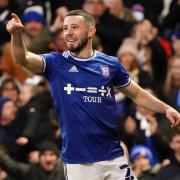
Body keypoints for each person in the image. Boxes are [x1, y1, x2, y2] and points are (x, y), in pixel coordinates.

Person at [6, 9, 180, 180]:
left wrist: (165, 108)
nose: (68, 33)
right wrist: (16, 35)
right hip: (78, 163)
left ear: (91, 31)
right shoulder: (56, 63)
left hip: (113, 157)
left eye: (74, 27)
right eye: (65, 28)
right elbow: (23, 59)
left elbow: (137, 94)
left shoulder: (110, 64)